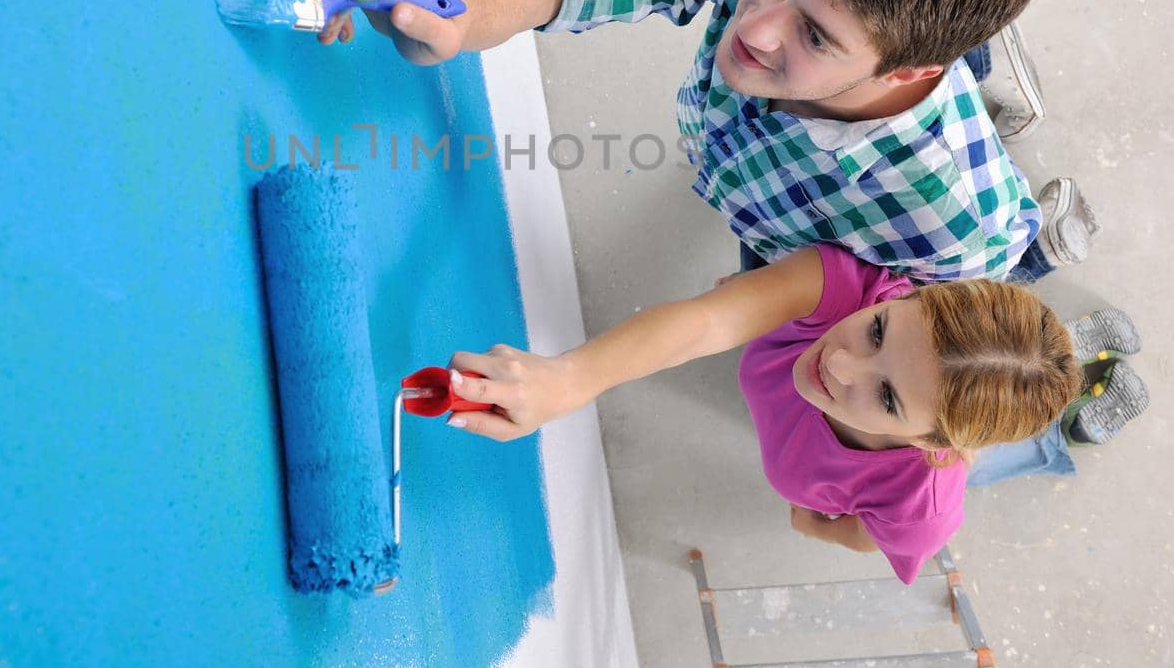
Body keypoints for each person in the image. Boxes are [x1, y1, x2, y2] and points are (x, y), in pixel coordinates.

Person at [326, 0, 1139, 459]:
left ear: (920, 69)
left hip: (939, 245)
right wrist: (459, 7)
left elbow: (934, 376)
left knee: (1015, 384)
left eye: (816, 36)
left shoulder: (946, 227)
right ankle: (991, 86)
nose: (753, 29)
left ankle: (1055, 252)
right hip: (779, 200)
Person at [440, 244, 1083, 582]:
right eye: (880, 331)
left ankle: (1059, 429)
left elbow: (870, 537)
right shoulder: (843, 286)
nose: (841, 365)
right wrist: (570, 376)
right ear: (908, 295)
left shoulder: (924, 505)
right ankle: (1066, 321)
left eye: (887, 397)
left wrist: (823, 529)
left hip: (951, 470)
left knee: (1011, 456)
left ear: (932, 443)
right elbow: (706, 322)